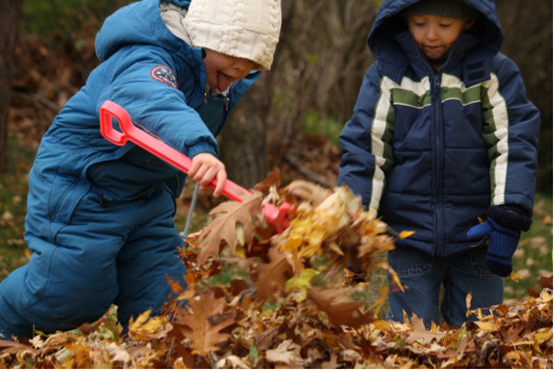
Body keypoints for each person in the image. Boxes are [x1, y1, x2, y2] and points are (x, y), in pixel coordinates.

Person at [0, 0, 282, 340]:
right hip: (84, 189)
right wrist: (199, 146)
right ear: (202, 35)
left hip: (148, 199)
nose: (233, 77)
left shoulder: (218, 74)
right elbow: (153, 101)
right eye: (230, 62)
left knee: (163, 301)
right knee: (67, 296)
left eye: (248, 68)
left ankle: (140, 357)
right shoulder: (149, 58)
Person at [338, 0, 540, 328]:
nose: (431, 35)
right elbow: (365, 151)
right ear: (403, 19)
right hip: (409, 235)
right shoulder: (387, 76)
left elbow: (513, 143)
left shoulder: (493, 74)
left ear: (470, 21)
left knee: (481, 335)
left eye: (445, 26)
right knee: (410, 337)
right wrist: (355, 221)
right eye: (419, 23)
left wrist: (509, 214)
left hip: (480, 235)